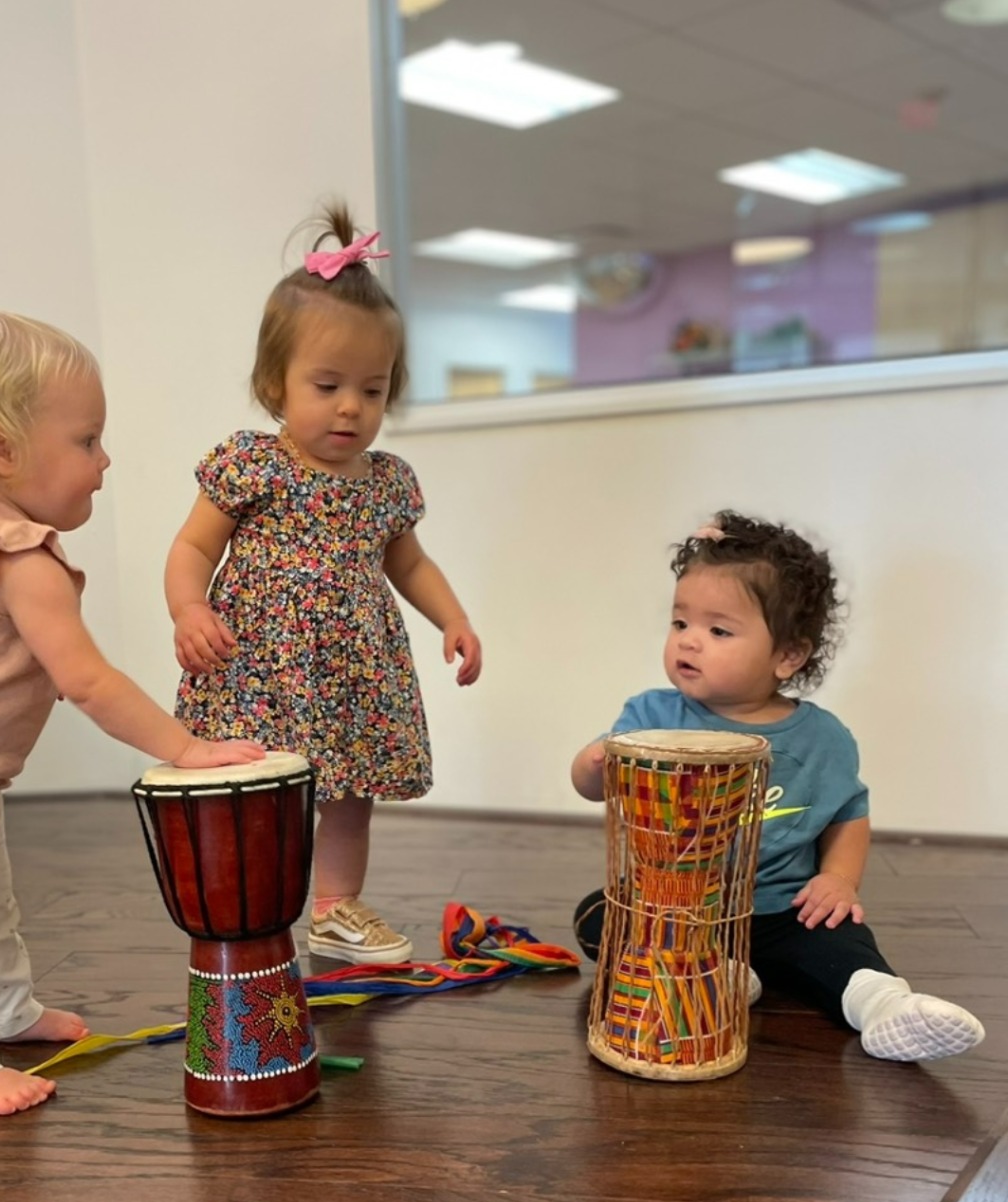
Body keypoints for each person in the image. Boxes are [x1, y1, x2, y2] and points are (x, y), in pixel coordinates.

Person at [0, 310, 264, 1116]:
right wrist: (185, 748)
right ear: (1, 451)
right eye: (87, 441)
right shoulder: (20, 559)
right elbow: (87, 681)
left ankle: (8, 1012)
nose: (104, 461)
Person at [165, 202, 482, 966]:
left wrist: (453, 619)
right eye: (328, 384)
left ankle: (336, 909)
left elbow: (409, 563)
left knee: (348, 795)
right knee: (257, 788)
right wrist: (188, 608)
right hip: (259, 666)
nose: (350, 407)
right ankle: (249, 904)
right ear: (274, 383)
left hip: (352, 671)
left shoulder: (386, 481)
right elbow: (193, 545)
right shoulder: (254, 464)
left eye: (372, 390)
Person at [571, 510, 984, 1063]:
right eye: (680, 623)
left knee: (841, 942)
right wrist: (593, 764)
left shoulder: (822, 738)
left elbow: (848, 815)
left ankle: (885, 1005)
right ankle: (719, 973)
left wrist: (838, 880)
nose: (689, 642)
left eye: (718, 631)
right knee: (600, 916)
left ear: (787, 655)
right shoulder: (651, 716)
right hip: (680, 910)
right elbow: (593, 788)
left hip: (787, 909)